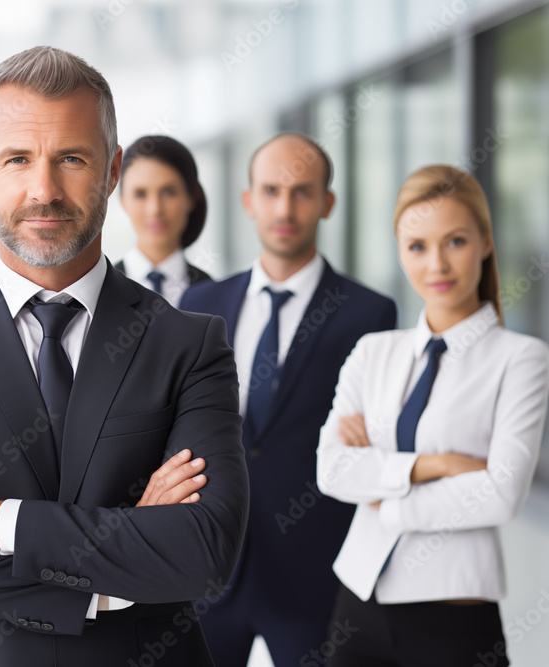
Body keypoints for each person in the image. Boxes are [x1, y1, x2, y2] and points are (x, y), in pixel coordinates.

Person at [0, 46, 249, 667]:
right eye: (17, 159)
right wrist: (109, 583)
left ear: (112, 170)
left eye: (71, 158)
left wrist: (1, 521)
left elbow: (203, 551)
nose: (44, 190)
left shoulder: (189, 345)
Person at [316, 165, 549, 666]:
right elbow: (331, 469)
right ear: (400, 253)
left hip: (453, 616)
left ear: (486, 243)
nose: (437, 264)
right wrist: (434, 466)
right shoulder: (373, 352)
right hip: (356, 605)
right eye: (417, 246)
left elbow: (501, 494)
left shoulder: (521, 359)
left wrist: (385, 497)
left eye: (456, 241)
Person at [180, 133, 397, 666]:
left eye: (302, 192)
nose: (284, 207)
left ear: (327, 203)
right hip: (212, 569)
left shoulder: (368, 315)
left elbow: (371, 442)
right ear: (248, 199)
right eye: (271, 190)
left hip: (313, 576)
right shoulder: (200, 304)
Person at [114, 135, 211, 305]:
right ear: (123, 200)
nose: (155, 209)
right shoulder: (99, 292)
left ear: (191, 199)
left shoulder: (216, 295)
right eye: (140, 194)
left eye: (169, 192)